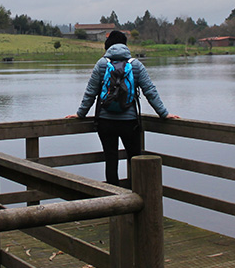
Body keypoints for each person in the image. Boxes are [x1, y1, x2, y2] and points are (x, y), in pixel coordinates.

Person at [67, 30, 179, 186]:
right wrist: (164, 113)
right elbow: (150, 91)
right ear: (125, 45)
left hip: (105, 122)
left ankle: (114, 199)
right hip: (129, 122)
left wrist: (80, 114)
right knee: (135, 158)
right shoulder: (136, 65)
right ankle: (137, 196)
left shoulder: (101, 64)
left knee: (111, 160)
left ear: (107, 46)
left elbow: (90, 93)